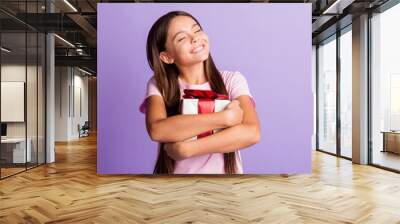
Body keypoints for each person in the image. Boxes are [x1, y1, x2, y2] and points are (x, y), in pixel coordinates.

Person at [139, 11, 260, 174]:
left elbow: (251, 133)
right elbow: (157, 130)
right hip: (175, 187)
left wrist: (186, 150)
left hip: (226, 186)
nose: (194, 38)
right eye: (181, 38)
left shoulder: (232, 80)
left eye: (196, 30)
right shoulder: (160, 85)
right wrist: (225, 118)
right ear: (167, 57)